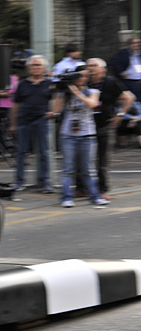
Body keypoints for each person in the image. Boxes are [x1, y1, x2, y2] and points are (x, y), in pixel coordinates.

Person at [54, 71, 106, 208]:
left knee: (88, 170)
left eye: (83, 76)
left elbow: (92, 104)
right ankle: (66, 197)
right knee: (68, 169)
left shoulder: (93, 91)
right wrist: (60, 92)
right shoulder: (65, 93)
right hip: (68, 136)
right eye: (77, 76)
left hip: (87, 135)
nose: (80, 78)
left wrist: (77, 93)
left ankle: (95, 196)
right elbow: (55, 110)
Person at [86, 57, 134, 200]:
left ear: (102, 69)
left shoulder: (110, 82)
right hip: (85, 126)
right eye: (88, 66)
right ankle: (81, 188)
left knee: (102, 161)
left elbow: (129, 98)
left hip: (104, 125)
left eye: (94, 66)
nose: (91, 68)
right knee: (82, 160)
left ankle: (102, 189)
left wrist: (120, 115)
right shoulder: (83, 82)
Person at [10, 55, 56, 193]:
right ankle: (19, 181)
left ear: (43, 68)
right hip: (24, 121)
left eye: (39, 65)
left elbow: (55, 100)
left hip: (41, 120)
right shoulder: (22, 84)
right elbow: (15, 105)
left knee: (44, 152)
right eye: (34, 65)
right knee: (21, 153)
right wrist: (13, 123)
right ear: (29, 68)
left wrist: (53, 112)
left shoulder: (49, 83)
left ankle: (45, 182)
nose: (36, 68)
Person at [109, 36, 141, 103]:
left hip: (138, 81)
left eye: (138, 43)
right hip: (129, 81)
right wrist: (120, 72)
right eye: (134, 43)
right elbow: (115, 62)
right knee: (133, 100)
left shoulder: (138, 54)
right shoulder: (123, 53)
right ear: (129, 45)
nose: (137, 44)